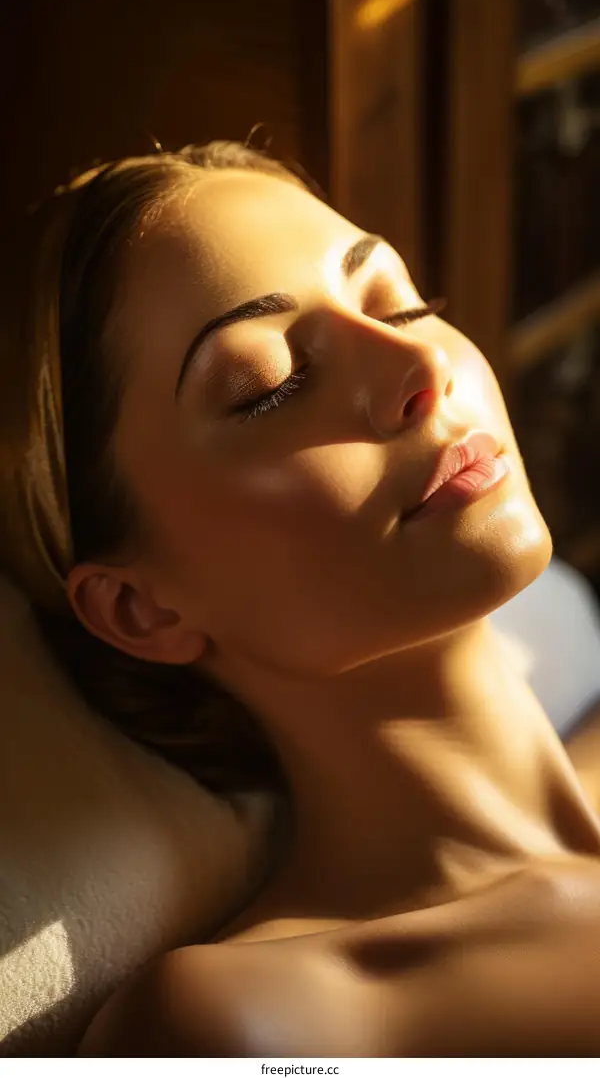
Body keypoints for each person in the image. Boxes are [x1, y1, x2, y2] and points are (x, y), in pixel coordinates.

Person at [2, 140, 600, 1057]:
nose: (419, 369)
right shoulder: (266, 1027)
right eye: (271, 387)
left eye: (399, 301)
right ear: (140, 609)